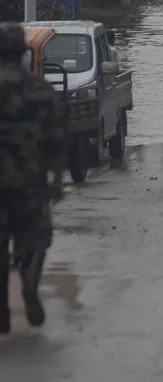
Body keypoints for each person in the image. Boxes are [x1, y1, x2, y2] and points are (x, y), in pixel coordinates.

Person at [0, 23, 65, 334]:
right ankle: (28, 283)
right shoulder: (40, 89)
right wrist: (56, 182)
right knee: (36, 237)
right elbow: (55, 141)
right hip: (28, 180)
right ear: (24, 52)